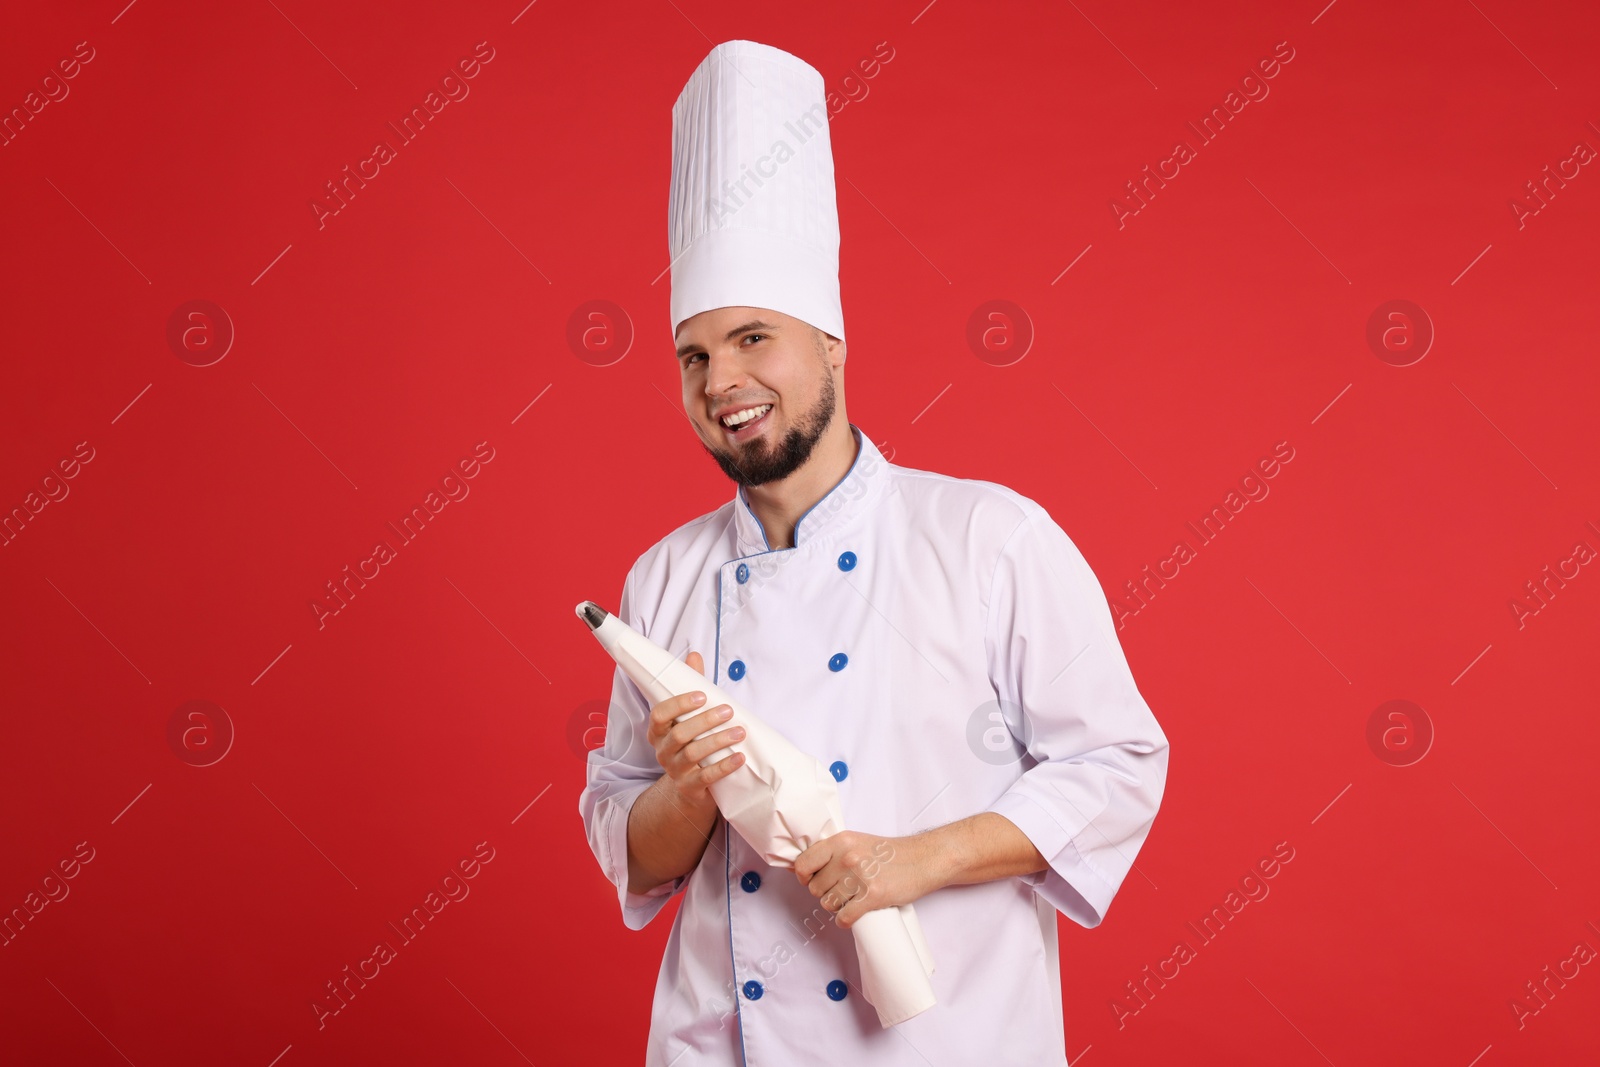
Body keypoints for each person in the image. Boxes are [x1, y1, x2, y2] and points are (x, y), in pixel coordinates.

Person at [578, 39, 1169, 1066]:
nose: (722, 379)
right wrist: (682, 791)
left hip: (944, 1042)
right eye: (694, 354)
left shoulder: (986, 536)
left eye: (753, 337)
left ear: (831, 345)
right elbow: (631, 843)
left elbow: (1116, 764)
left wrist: (919, 858)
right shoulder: (661, 579)